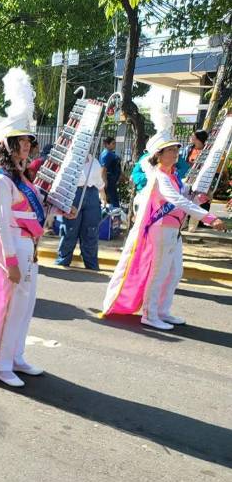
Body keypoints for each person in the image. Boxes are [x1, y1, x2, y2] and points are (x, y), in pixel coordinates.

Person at [0, 68, 75, 386]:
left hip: (30, 248)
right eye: (21, 140)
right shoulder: (0, 179)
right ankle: (2, 364)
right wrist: (10, 260)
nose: (26, 145)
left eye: (28, 141)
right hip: (13, 250)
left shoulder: (23, 178)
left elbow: (36, 212)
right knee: (12, 306)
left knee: (26, 305)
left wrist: (61, 209)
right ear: (8, 144)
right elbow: (3, 223)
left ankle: (17, 356)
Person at [102, 105, 224, 330]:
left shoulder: (175, 177)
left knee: (174, 272)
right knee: (158, 273)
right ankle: (150, 314)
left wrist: (200, 199)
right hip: (160, 230)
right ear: (159, 154)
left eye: (176, 149)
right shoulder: (159, 176)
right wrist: (209, 218)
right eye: (171, 150)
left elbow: (186, 199)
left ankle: (162, 310)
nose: (176, 153)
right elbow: (176, 200)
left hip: (173, 231)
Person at [55, 150, 106, 270]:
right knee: (70, 229)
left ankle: (91, 264)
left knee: (91, 231)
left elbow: (99, 182)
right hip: (74, 193)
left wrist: (103, 195)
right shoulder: (69, 159)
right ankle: (63, 260)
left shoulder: (94, 162)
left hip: (92, 194)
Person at [99, 136, 121, 207]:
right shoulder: (106, 154)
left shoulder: (109, 153)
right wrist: (104, 181)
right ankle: (115, 212)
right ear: (107, 144)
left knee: (109, 199)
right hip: (109, 180)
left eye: (115, 143)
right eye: (113, 143)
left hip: (111, 180)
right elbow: (103, 169)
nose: (114, 145)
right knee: (113, 200)